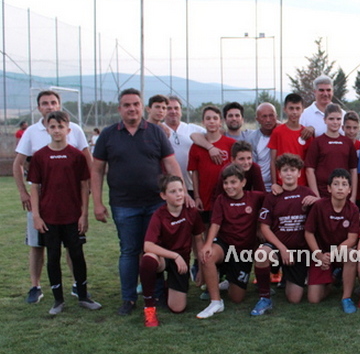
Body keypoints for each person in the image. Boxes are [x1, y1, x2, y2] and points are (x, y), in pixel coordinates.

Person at [92, 88, 183, 316]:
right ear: (119, 109)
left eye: (136, 104)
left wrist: (181, 192)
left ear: (142, 107)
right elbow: (97, 170)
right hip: (123, 205)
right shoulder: (108, 135)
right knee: (129, 251)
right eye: (127, 105)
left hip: (155, 204)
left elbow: (171, 164)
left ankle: (158, 295)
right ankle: (129, 298)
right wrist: (97, 203)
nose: (132, 109)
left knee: (155, 250)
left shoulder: (156, 132)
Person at [14, 90, 92, 304]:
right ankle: (36, 286)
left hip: (70, 204)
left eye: (53, 102)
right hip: (43, 205)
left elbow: (87, 162)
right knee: (38, 245)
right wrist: (23, 192)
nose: (49, 106)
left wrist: (88, 193)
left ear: (59, 105)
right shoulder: (32, 133)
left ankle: (77, 285)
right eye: (45, 103)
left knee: (73, 248)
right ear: (39, 107)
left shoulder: (74, 130)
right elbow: (19, 164)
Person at [28, 111, 102, 315]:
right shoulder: (40, 156)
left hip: (72, 217)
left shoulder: (76, 156)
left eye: (60, 127)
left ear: (68, 130)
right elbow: (34, 187)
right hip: (49, 218)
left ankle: (83, 296)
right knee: (53, 257)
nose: (57, 130)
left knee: (77, 255)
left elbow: (84, 186)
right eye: (52, 127)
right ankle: (58, 300)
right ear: (47, 130)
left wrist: (83, 215)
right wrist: (36, 216)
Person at [196, 164, 266, 318]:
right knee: (208, 255)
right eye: (226, 183)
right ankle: (216, 302)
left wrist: (260, 226)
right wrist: (208, 244)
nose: (229, 186)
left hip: (243, 251)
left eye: (233, 182)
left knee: (236, 298)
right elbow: (215, 224)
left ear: (243, 182)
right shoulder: (221, 200)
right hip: (225, 245)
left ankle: (229, 280)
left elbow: (273, 202)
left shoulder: (255, 197)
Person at [252, 154, 318, 314]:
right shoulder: (273, 196)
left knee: (294, 299)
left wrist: (316, 201)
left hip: (299, 251)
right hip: (278, 247)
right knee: (261, 254)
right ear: (279, 174)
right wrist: (282, 248)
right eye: (285, 170)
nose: (289, 173)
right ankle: (264, 298)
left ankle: (288, 278)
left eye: (293, 170)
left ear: (299, 173)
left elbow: (322, 213)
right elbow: (264, 227)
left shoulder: (307, 193)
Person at [139, 175, 204, 327]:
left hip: (182, 261)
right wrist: (174, 256)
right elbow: (148, 245)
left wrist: (201, 268)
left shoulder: (191, 212)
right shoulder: (159, 214)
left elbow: (198, 240)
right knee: (148, 259)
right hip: (163, 257)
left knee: (177, 308)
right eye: (173, 191)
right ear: (163, 195)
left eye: (180, 190)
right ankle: (149, 308)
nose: (179, 194)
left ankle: (167, 287)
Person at [304, 169, 360, 313]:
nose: (340, 188)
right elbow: (308, 233)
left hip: (340, 253)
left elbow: (352, 238)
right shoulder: (319, 206)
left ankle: (346, 298)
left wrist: (334, 254)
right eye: (336, 184)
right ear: (329, 188)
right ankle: (333, 280)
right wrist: (319, 255)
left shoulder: (353, 209)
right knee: (313, 299)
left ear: (349, 190)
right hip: (321, 254)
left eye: (344, 184)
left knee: (352, 254)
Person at [188, 106, 235, 222]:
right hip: (205, 197)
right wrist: (197, 196)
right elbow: (194, 173)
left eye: (215, 118)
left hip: (226, 196)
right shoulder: (196, 147)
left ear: (220, 122)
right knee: (205, 227)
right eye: (208, 118)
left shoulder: (231, 144)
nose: (212, 121)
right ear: (203, 122)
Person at [305, 103, 358, 200]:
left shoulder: (347, 142)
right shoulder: (317, 142)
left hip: (343, 195)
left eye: (338, 119)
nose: (335, 122)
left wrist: (353, 196)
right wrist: (316, 196)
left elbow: (353, 170)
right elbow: (310, 169)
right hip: (322, 193)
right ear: (324, 120)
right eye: (331, 119)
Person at [269, 93, 313, 192]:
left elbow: (309, 163)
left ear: (302, 110)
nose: (294, 112)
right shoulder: (277, 132)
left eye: (297, 108)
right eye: (291, 108)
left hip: (301, 184)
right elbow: (272, 160)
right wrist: (274, 183)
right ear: (285, 109)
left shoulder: (306, 134)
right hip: (282, 185)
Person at [162, 96, 205, 195]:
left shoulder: (194, 129)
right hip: (168, 187)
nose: (173, 111)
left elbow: (214, 136)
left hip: (191, 186)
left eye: (176, 108)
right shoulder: (159, 130)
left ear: (181, 111)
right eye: (169, 108)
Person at [246, 102, 279, 188]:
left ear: (276, 117)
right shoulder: (252, 139)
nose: (268, 120)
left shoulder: (283, 134)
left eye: (271, 115)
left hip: (282, 185)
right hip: (260, 186)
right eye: (264, 116)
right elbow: (251, 166)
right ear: (257, 119)